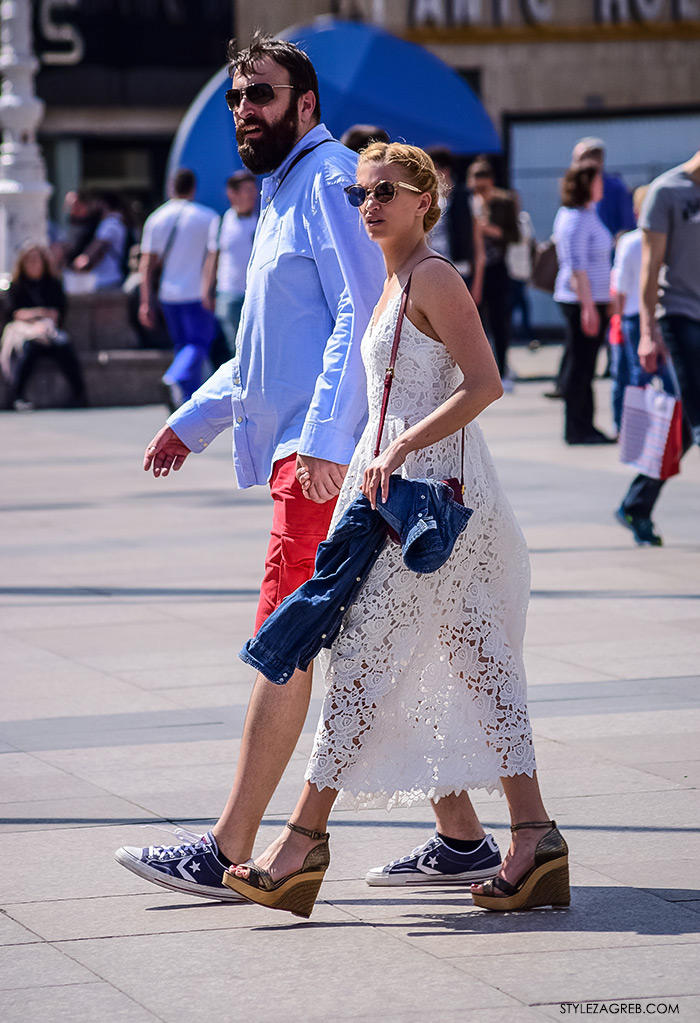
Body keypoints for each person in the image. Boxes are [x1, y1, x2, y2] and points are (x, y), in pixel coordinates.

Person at [220, 143, 568, 919]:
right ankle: (535, 834)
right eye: (359, 194)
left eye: (385, 191)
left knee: (367, 656)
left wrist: (403, 446)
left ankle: (303, 840)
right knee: (482, 664)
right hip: (403, 503)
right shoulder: (388, 282)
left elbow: (487, 384)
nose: (368, 204)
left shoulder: (435, 276)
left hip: (440, 506)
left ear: (424, 199)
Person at [114, 33, 384, 897]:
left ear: (305, 104)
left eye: (260, 95)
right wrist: (192, 421)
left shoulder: (330, 179)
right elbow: (269, 350)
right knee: (381, 640)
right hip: (313, 452)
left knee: (285, 644)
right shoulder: (282, 191)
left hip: (320, 459)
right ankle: (465, 838)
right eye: (237, 97)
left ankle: (229, 842)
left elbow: (362, 309)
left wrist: (323, 441)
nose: (244, 111)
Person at [615, 148, 700, 547]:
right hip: (679, 315)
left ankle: (637, 503)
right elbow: (650, 266)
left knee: (683, 426)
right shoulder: (667, 192)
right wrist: (648, 331)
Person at [139, 168, 219, 409]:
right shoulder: (208, 217)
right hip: (196, 293)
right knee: (198, 344)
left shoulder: (156, 218)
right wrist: (209, 290)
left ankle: (185, 401)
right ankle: (174, 378)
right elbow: (212, 259)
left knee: (183, 346)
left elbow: (146, 265)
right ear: (193, 188)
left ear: (171, 187)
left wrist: (146, 300)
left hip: (168, 294)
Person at [553, 162, 615, 445]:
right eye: (597, 181)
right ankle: (578, 427)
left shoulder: (588, 214)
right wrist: (589, 306)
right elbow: (577, 265)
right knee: (581, 366)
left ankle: (585, 423)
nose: (602, 185)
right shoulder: (575, 218)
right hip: (581, 301)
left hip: (594, 299)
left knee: (586, 365)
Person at [609, 185, 676, 433]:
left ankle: (633, 430)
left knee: (636, 377)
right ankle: (673, 430)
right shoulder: (670, 238)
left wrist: (617, 317)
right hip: (664, 312)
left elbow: (621, 286)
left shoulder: (628, 242)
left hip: (633, 315)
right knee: (670, 375)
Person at [0, 244, 86, 411]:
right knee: (29, 350)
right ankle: (17, 395)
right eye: (29, 261)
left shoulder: (52, 284)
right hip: (26, 333)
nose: (33, 265)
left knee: (65, 348)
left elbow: (57, 313)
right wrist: (41, 313)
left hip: (49, 332)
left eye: (36, 261)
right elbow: (14, 314)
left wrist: (33, 315)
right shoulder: (16, 285)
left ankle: (79, 393)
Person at [467, 156, 520, 383]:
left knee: (499, 320)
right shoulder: (466, 201)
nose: (479, 190)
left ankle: (502, 366)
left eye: (483, 185)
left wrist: (490, 230)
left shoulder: (504, 201)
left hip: (497, 267)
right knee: (474, 322)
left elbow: (515, 235)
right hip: (471, 269)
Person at [201, 171, 259, 359]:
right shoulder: (220, 223)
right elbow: (213, 258)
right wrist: (206, 290)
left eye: (253, 190)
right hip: (229, 295)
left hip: (256, 296)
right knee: (235, 349)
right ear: (232, 194)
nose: (252, 195)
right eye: (246, 190)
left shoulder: (263, 220)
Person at [427, 146, 485, 306]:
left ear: (444, 170)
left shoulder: (467, 198)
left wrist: (477, 284)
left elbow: (478, 245)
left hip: (460, 271)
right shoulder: (428, 201)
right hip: (432, 271)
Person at [571, 137, 635, 239]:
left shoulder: (616, 188)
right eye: (575, 160)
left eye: (580, 160)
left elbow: (627, 227)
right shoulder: (573, 190)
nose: (575, 165)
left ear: (598, 161)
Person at [71, 191, 128, 290]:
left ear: (104, 204)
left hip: (106, 279)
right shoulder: (119, 222)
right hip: (113, 277)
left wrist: (82, 262)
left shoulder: (109, 223)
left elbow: (99, 247)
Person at [506, 196, 536, 346]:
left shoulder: (524, 219)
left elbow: (530, 243)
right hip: (510, 270)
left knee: (521, 304)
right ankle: (519, 333)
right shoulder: (506, 222)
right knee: (516, 303)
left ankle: (525, 333)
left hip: (523, 268)